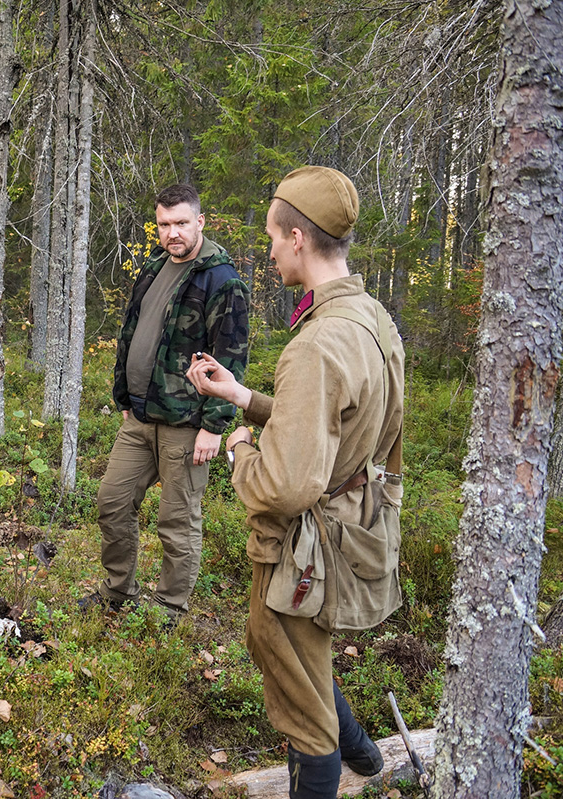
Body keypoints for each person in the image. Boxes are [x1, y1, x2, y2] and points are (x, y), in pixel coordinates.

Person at [186, 166, 403, 798]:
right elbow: (342, 423)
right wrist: (246, 397)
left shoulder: (315, 344)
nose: (271, 249)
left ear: (299, 239)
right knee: (295, 654)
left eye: (275, 237)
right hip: (352, 524)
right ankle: (366, 755)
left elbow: (285, 485)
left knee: (298, 696)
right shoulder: (370, 318)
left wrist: (241, 445)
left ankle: (334, 766)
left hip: (308, 548)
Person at [81, 183, 250, 620]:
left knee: (177, 521)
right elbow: (132, 333)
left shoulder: (221, 280)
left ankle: (169, 607)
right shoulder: (155, 266)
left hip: (185, 423)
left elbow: (230, 359)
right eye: (164, 224)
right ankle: (118, 592)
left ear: (200, 222)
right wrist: (123, 393)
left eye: (180, 223)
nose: (172, 232)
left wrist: (215, 426)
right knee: (112, 501)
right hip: (139, 418)